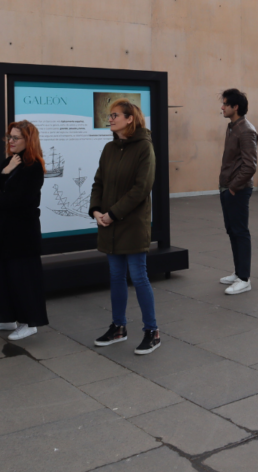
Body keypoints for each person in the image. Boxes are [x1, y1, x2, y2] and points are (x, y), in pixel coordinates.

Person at [89, 99, 160, 355]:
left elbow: (141, 189)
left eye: (115, 115)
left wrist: (113, 214)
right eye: (109, 116)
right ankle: (119, 327)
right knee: (116, 277)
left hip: (131, 224)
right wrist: (96, 210)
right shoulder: (109, 148)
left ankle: (152, 331)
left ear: (130, 118)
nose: (110, 119)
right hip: (109, 223)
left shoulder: (144, 148)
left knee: (139, 276)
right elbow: (99, 182)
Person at [0, 120, 49, 340]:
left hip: (21, 234)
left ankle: (30, 323)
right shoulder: (11, 161)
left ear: (27, 140)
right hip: (3, 231)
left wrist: (0, 197)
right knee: (1, 275)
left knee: (23, 278)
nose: (10, 141)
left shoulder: (34, 166)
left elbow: (20, 200)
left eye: (15, 138)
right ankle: (6, 319)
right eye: (9, 137)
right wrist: (5, 172)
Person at [218, 88, 258, 295]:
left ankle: (244, 278)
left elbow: (250, 165)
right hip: (228, 188)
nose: (222, 107)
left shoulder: (246, 130)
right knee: (232, 230)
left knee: (240, 232)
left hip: (237, 190)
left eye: (225, 104)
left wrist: (234, 187)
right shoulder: (233, 127)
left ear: (236, 107)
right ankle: (238, 272)